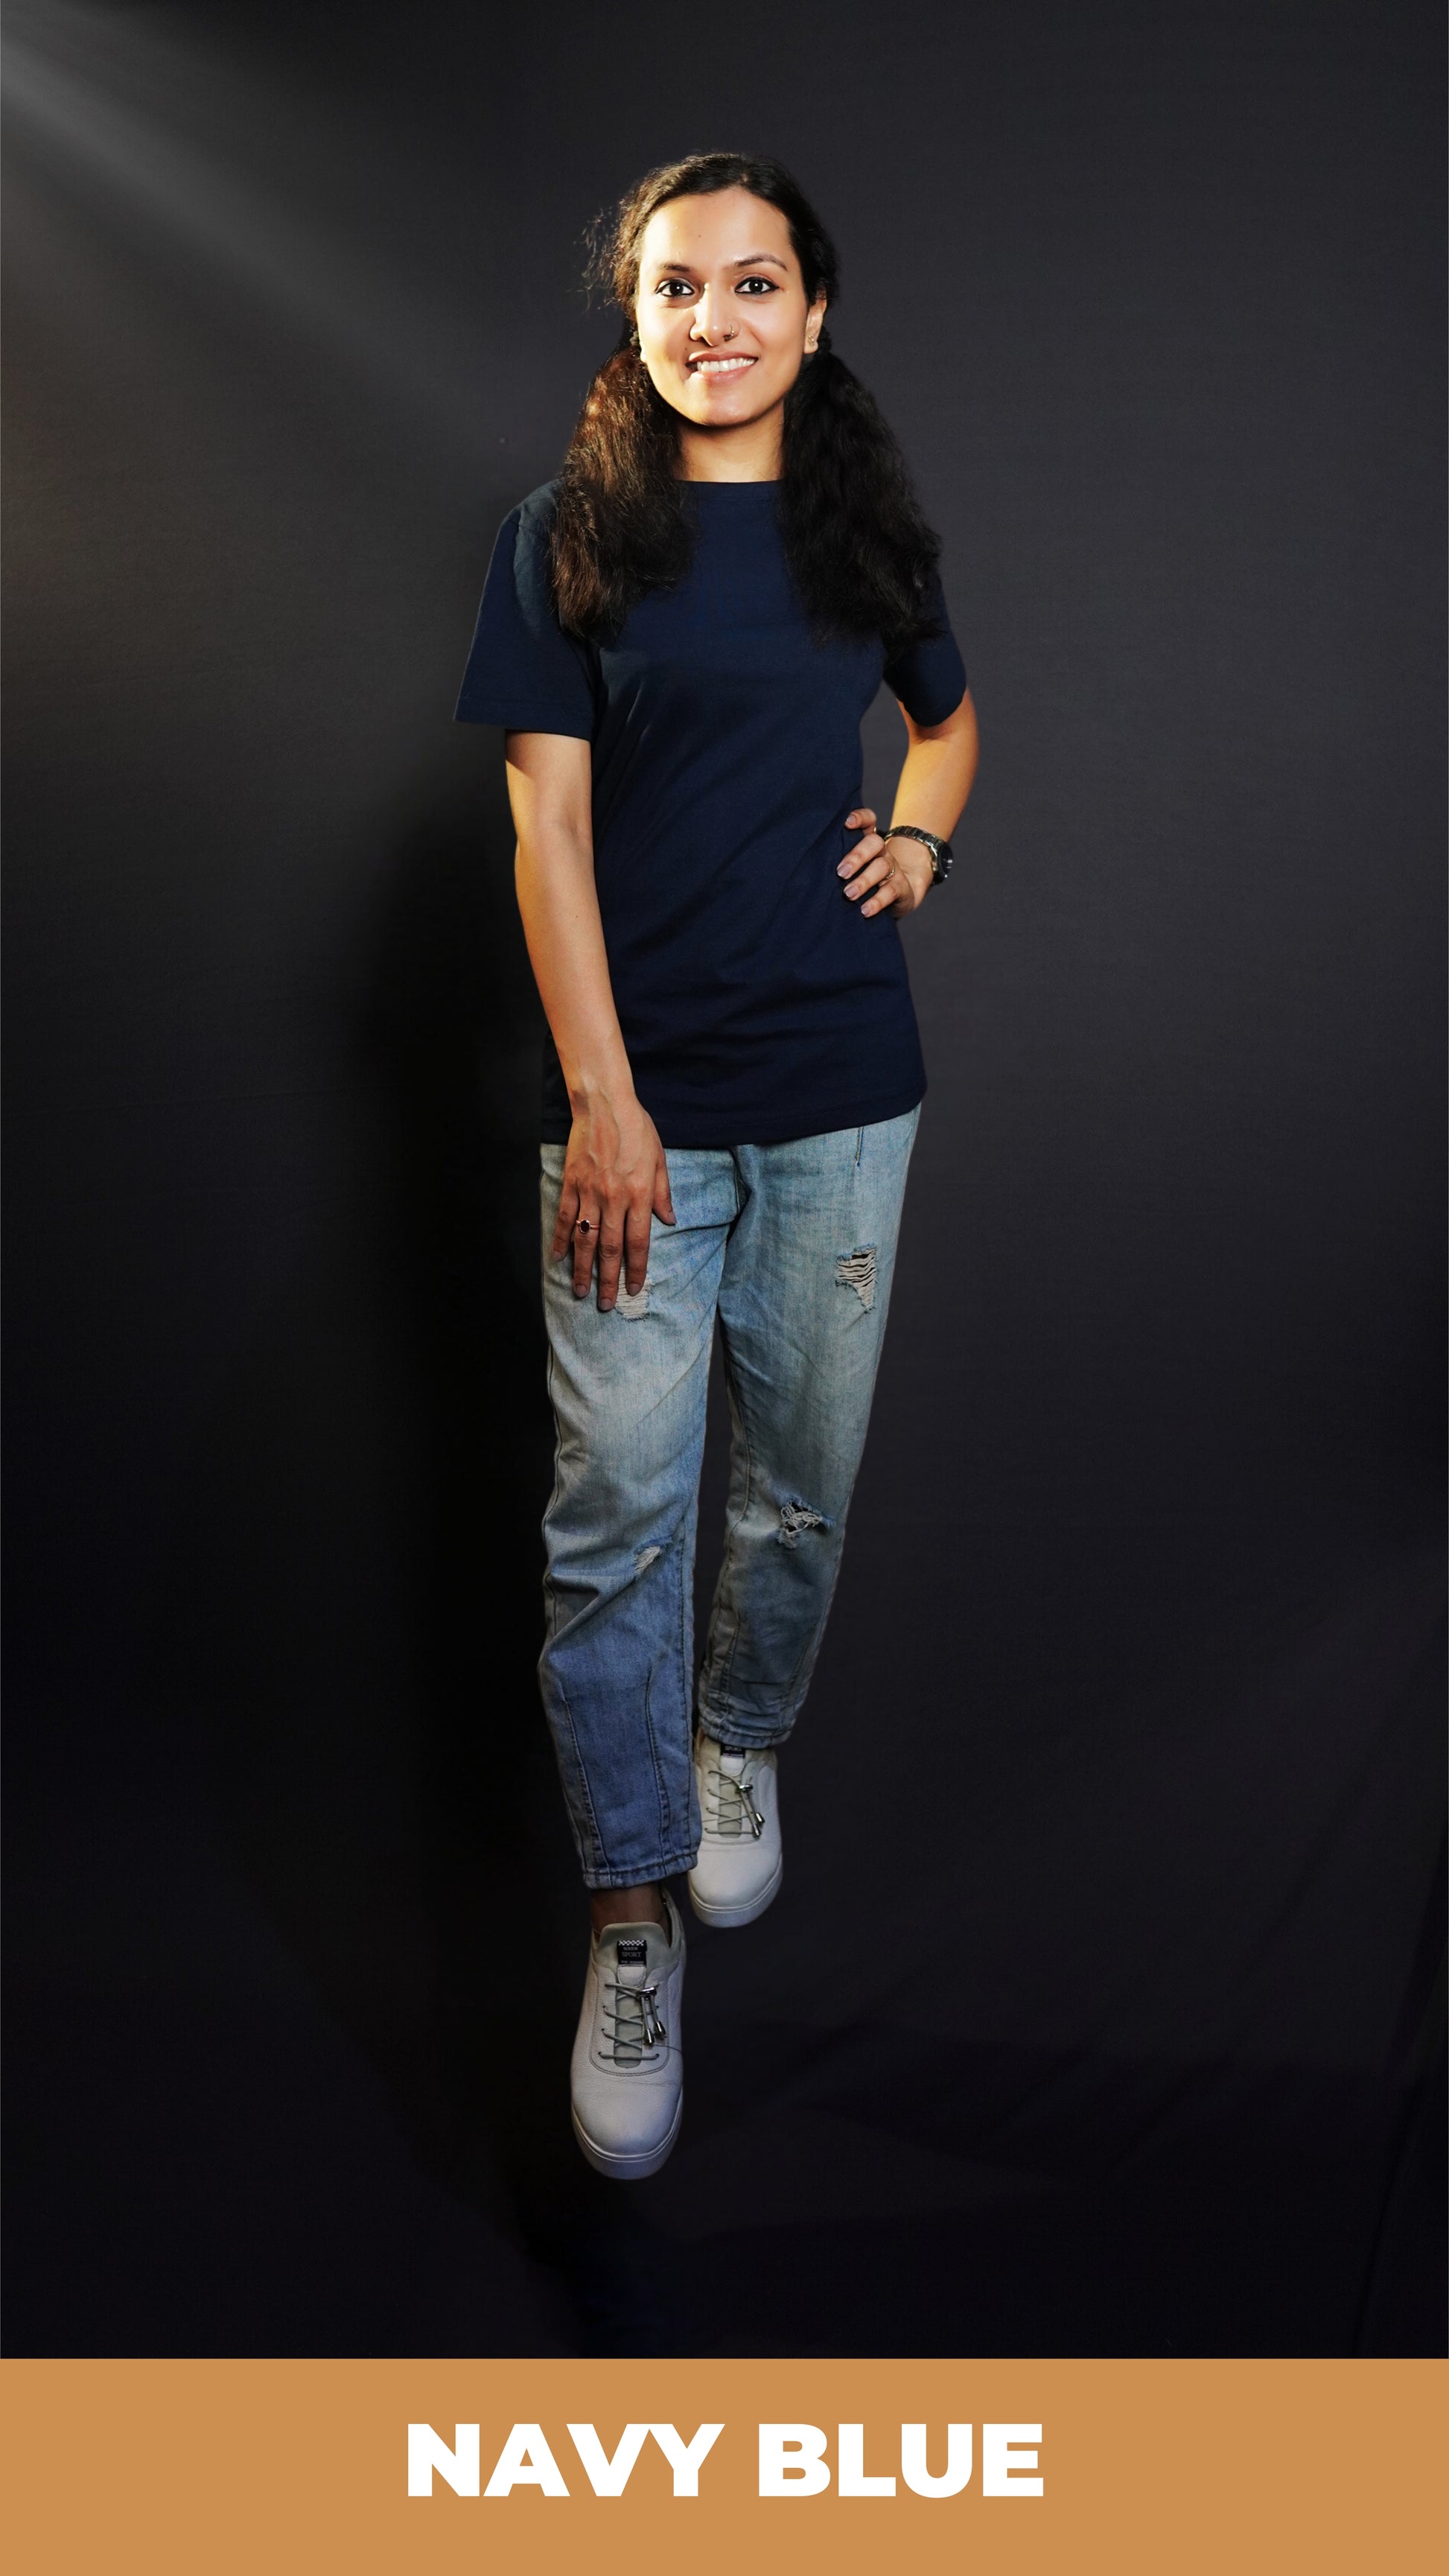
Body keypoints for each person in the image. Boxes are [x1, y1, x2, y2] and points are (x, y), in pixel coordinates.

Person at [456, 151, 978, 2179]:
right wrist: (603, 1096)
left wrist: (920, 839)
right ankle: (626, 1912)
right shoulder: (563, 538)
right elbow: (547, 834)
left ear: (812, 314)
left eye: (752, 286)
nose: (714, 321)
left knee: (795, 1484)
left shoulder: (863, 536)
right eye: (677, 288)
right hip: (633, 1120)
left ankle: (735, 1736)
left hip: (845, 1092)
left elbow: (942, 726)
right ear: (637, 315)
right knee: (613, 1516)